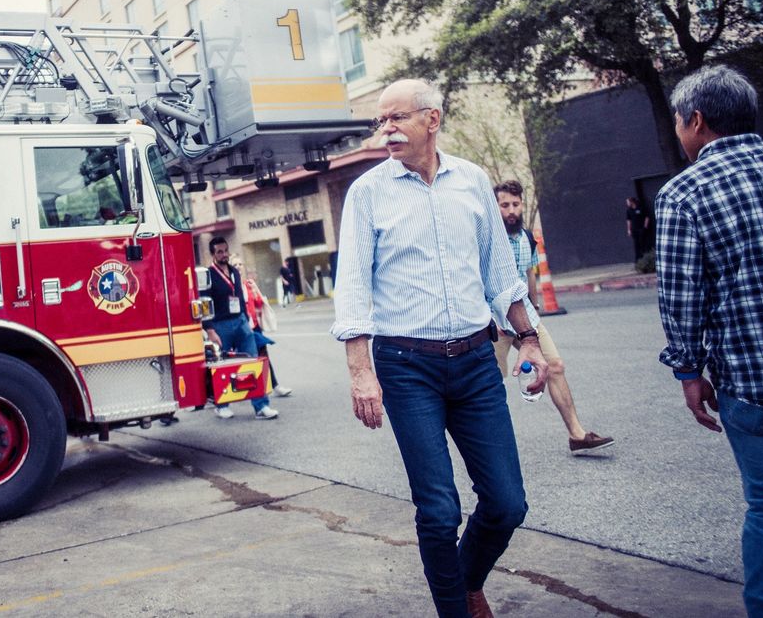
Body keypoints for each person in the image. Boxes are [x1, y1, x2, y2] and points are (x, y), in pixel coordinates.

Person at [333, 78, 547, 618]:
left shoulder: (472, 182)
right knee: (437, 509)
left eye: (397, 118)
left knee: (506, 503)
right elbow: (353, 287)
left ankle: (467, 579)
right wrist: (362, 372)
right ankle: (455, 607)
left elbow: (501, 274)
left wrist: (529, 340)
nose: (386, 130)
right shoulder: (367, 193)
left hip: (476, 363)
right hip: (407, 369)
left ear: (432, 119)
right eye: (380, 121)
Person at [654, 65, 763, 618]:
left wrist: (688, 372)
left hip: (758, 382)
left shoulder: (684, 193)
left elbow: (681, 298)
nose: (677, 130)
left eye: (678, 120)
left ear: (696, 121)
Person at [492, 180, 614, 454]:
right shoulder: (487, 239)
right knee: (489, 382)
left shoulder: (526, 237)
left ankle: (577, 435)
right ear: (495, 207)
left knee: (555, 366)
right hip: (496, 321)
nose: (511, 210)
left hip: (526, 318)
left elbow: (529, 275)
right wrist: (491, 320)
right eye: (504, 205)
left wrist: (533, 310)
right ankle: (492, 450)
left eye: (515, 204)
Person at [201, 238, 279, 420]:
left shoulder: (235, 271)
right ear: (213, 254)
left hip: (241, 322)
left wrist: (246, 319)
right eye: (219, 252)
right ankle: (222, 405)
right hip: (221, 325)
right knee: (222, 367)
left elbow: (240, 297)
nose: (224, 254)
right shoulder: (209, 275)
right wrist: (210, 330)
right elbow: (204, 304)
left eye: (225, 250)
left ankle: (261, 406)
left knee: (253, 362)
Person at [235, 258, 292, 397]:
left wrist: (255, 292)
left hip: (254, 327)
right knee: (243, 360)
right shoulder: (232, 286)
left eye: (240, 264)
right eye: (235, 264)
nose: (238, 267)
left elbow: (259, 304)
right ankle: (240, 391)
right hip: (240, 329)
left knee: (263, 356)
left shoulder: (249, 284)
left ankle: (275, 385)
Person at [625, 196, 650, 262]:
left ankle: (645, 258)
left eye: (628, 202)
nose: (627, 203)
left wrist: (645, 227)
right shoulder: (629, 210)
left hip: (641, 228)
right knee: (636, 244)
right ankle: (637, 260)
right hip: (634, 229)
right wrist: (629, 230)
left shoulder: (641, 208)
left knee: (643, 243)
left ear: (632, 202)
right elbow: (628, 220)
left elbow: (647, 217)